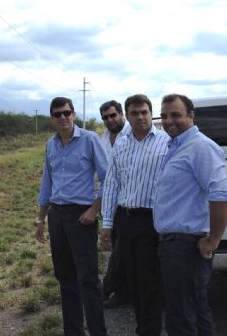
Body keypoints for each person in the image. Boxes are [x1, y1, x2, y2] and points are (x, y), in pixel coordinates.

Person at [154, 93, 227, 336]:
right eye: (165, 116)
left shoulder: (200, 147)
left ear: (191, 115)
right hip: (176, 245)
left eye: (176, 115)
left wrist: (214, 240)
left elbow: (220, 195)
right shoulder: (176, 146)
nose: (169, 121)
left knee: (181, 317)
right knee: (196, 312)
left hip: (185, 247)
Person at [35, 97, 109, 336]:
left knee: (87, 280)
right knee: (65, 277)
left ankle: (98, 331)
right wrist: (41, 219)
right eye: (57, 114)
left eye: (67, 113)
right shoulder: (50, 145)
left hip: (82, 217)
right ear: (52, 119)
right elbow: (47, 183)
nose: (63, 117)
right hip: (57, 217)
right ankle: (73, 331)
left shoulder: (90, 140)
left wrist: (94, 210)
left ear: (74, 115)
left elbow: (107, 178)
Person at [101, 94, 169, 336]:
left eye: (144, 112)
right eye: (135, 113)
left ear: (151, 114)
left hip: (152, 221)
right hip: (125, 219)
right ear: (127, 116)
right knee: (131, 280)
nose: (140, 117)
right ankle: (142, 327)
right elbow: (111, 184)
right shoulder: (121, 143)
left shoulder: (166, 143)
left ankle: (149, 331)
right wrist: (107, 223)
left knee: (149, 281)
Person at [98, 100, 132, 308]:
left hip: (130, 205)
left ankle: (106, 288)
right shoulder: (103, 140)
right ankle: (122, 291)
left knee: (121, 250)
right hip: (109, 203)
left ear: (122, 115)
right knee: (119, 250)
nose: (110, 120)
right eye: (105, 117)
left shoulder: (131, 135)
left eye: (113, 115)